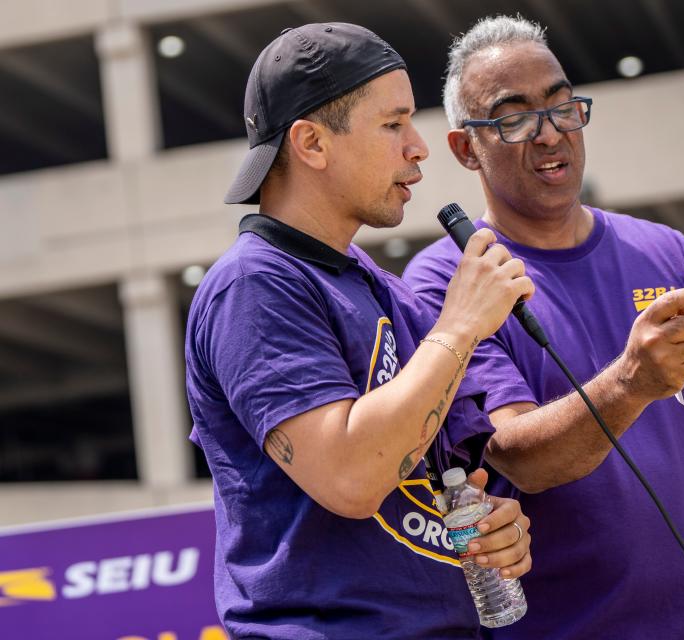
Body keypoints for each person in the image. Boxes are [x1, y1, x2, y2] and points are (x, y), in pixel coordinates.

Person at [403, 15, 684, 639]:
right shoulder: (450, 281)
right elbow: (519, 458)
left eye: (563, 106)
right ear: (468, 149)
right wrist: (631, 382)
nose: (550, 136)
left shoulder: (667, 252)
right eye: (514, 117)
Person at [184, 23, 537, 639]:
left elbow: (438, 478)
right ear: (312, 143)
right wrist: (460, 325)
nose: (418, 146)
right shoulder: (253, 285)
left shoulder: (375, 282)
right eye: (393, 123)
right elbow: (350, 479)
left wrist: (495, 519)